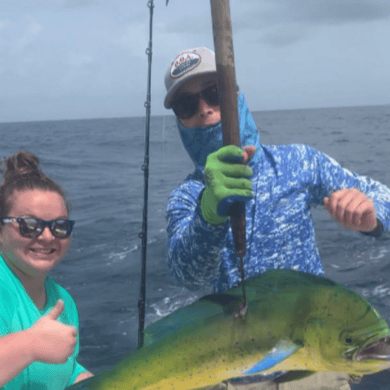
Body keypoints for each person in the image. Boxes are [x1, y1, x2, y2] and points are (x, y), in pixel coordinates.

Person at [163, 47, 390, 390]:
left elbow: (385, 200)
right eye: (187, 105)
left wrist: (372, 217)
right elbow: (188, 274)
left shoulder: (298, 161)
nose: (206, 109)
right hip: (238, 373)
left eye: (214, 93)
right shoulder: (186, 197)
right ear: (180, 120)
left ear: (237, 96)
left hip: (314, 362)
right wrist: (208, 213)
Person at [0, 151, 93, 389]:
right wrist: (29, 346)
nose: (47, 236)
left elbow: (67, 371)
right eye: (30, 225)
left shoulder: (64, 302)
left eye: (59, 226)